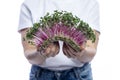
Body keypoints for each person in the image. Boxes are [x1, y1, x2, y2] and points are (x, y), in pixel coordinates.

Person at [18, 0, 100, 80]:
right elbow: (29, 53)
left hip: (80, 75)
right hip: (40, 75)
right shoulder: (29, 4)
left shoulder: (90, 3)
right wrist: (41, 52)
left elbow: (91, 51)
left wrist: (81, 52)